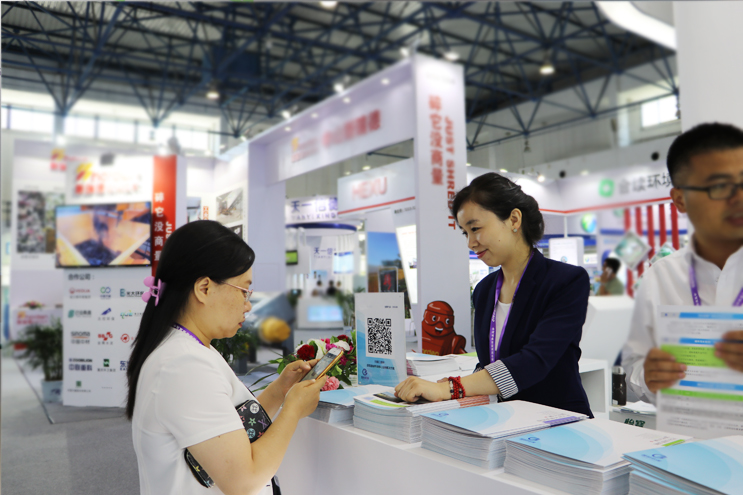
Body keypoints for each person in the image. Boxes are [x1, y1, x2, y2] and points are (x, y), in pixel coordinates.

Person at [126, 220, 327, 495]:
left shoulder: (191, 349)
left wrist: (280, 390)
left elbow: (231, 427)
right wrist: (293, 410)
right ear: (204, 288)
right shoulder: (184, 366)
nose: (248, 304)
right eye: (244, 291)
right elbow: (243, 480)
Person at [395, 173, 592, 417]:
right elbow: (490, 361)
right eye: (465, 233)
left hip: (557, 420)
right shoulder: (484, 290)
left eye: (475, 229)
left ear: (514, 219)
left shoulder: (566, 281)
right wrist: (453, 388)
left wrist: (451, 388)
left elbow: (535, 361)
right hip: (501, 420)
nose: (471, 243)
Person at [622, 123, 743, 402]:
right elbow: (633, 371)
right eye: (719, 186)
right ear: (680, 199)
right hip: (689, 426)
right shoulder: (661, 277)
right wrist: (648, 376)